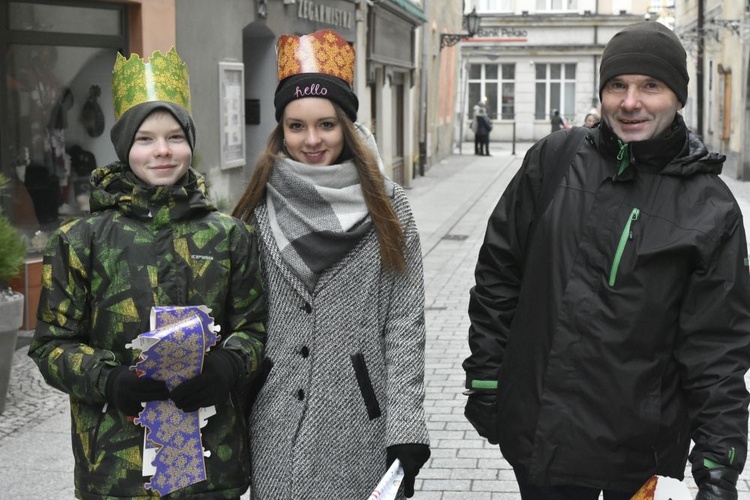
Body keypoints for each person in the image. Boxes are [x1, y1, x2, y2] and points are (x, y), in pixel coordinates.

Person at [463, 21, 750, 499]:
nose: (630, 102)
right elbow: (499, 273)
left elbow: (717, 347)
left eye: (650, 86)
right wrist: (488, 378)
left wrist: (719, 466)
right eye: (617, 85)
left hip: (633, 455)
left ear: (678, 96)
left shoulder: (709, 207)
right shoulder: (555, 158)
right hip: (541, 438)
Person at [28, 48, 267, 499]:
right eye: (145, 139)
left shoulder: (230, 236)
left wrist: (229, 365)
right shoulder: (81, 240)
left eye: (175, 137)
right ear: (124, 148)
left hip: (210, 465)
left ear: (190, 143)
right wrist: (108, 379)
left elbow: (254, 328)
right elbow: (50, 346)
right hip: (116, 466)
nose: (162, 151)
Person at [232, 29, 430, 499]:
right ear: (281, 129)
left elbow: (404, 324)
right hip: (272, 421)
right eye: (296, 126)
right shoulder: (255, 209)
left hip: (358, 420)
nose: (311, 140)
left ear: (347, 126)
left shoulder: (389, 207)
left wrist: (407, 426)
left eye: (326, 124)